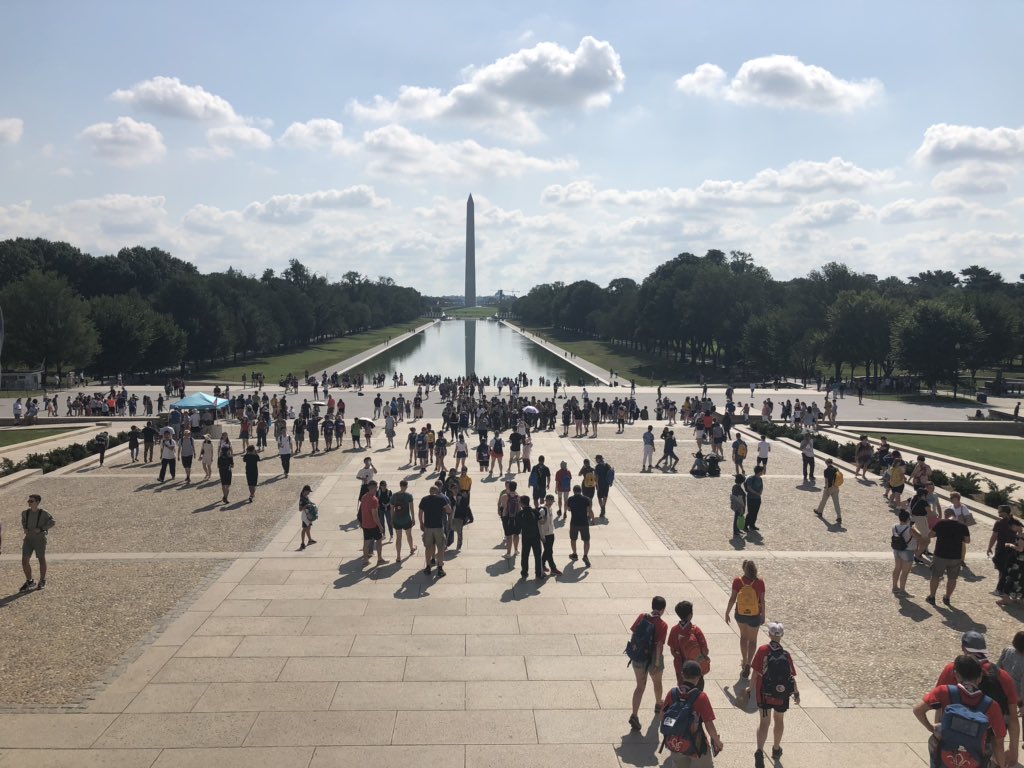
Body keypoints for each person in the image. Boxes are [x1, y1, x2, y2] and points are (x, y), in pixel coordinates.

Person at [935, 630, 1021, 765]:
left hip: (953, 739)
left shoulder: (952, 669)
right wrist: (1013, 749)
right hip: (985, 742)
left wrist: (938, 732)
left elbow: (939, 705)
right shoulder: (1003, 676)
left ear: (963, 648)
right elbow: (1013, 718)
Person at [914, 654, 1007, 768]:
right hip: (974, 758)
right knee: (988, 747)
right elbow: (999, 742)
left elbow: (918, 710)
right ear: (980, 678)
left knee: (935, 742)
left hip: (946, 753)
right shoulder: (992, 705)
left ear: (956, 675)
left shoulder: (943, 691)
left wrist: (932, 728)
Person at [752, 622, 799, 768]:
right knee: (779, 720)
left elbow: (755, 673)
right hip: (781, 694)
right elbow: (791, 676)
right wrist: (796, 693)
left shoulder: (763, 650)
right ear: (782, 635)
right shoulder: (786, 654)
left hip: (764, 693)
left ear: (770, 634)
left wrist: (750, 690)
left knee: (764, 722)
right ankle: (776, 749)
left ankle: (759, 751)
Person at [660, 659, 724, 765]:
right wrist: (717, 741)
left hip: (675, 743)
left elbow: (662, 715)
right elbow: (709, 724)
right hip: (696, 745)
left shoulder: (672, 693)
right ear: (698, 677)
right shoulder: (701, 697)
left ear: (682, 675)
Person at [627, 595, 669, 731]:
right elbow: (659, 645)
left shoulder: (642, 616)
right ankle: (658, 704)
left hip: (638, 657)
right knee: (657, 682)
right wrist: (657, 662)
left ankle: (634, 714)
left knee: (640, 687)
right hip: (652, 659)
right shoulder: (662, 625)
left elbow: (633, 633)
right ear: (663, 609)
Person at [725, 559, 765, 679]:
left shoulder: (738, 581)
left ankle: (744, 660)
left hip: (740, 614)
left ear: (744, 569)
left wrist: (727, 612)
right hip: (754, 614)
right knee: (753, 640)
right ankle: (749, 663)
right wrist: (763, 614)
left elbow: (733, 598)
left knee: (743, 637)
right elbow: (762, 600)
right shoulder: (760, 582)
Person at [927, 508, 971, 607]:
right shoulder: (962, 526)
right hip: (955, 556)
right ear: (955, 515)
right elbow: (967, 540)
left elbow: (930, 535)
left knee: (935, 576)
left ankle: (932, 596)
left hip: (940, 555)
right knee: (952, 578)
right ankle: (947, 597)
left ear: (946, 515)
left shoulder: (941, 523)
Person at [668, 600, 710, 691]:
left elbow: (672, 651)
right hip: (696, 668)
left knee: (683, 692)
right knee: (697, 693)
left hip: (681, 668)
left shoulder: (674, 630)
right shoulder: (695, 630)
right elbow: (705, 651)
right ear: (690, 615)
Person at [20, 494, 55, 591]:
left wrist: (41, 529)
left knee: (41, 559)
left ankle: (42, 580)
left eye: (31, 501)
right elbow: (23, 521)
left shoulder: (43, 513)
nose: (29, 502)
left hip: (39, 539)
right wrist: (25, 528)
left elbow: (52, 522)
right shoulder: (25, 513)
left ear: (37, 502)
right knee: (24, 561)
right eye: (29, 500)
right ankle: (30, 581)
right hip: (28, 539)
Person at [419, 485, 452, 577]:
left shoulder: (424, 499)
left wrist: (421, 523)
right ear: (437, 492)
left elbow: (420, 513)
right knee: (440, 548)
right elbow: (449, 510)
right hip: (438, 527)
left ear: (429, 491)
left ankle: (428, 567)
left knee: (428, 547)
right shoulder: (441, 499)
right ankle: (440, 569)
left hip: (428, 527)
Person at [989, 504, 1020, 595]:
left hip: (1002, 549)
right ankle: (1002, 588)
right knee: (1005, 569)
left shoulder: (999, 523)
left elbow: (994, 536)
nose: (998, 513)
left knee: (1002, 569)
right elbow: (1020, 533)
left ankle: (1000, 589)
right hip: (1012, 549)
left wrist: (989, 547)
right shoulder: (1016, 522)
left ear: (1005, 513)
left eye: (1000, 512)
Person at [891, 509, 921, 595]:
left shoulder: (894, 526)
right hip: (908, 551)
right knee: (905, 572)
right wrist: (914, 527)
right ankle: (902, 590)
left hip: (897, 549)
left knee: (897, 568)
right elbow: (919, 536)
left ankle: (894, 587)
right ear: (908, 519)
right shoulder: (910, 529)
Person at [359, 480, 387, 566]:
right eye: (377, 487)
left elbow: (362, 510)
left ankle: (365, 560)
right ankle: (380, 559)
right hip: (373, 525)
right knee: (379, 541)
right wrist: (380, 526)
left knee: (366, 543)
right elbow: (375, 515)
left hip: (365, 524)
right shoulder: (374, 499)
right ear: (375, 487)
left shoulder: (364, 497)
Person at [567, 484, 594, 567]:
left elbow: (568, 509)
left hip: (574, 522)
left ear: (573, 491)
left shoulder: (570, 499)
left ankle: (574, 554)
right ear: (581, 490)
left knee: (573, 539)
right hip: (584, 523)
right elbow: (589, 510)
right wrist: (593, 519)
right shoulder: (587, 499)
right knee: (586, 540)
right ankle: (585, 556)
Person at [391, 479, 417, 562]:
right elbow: (411, 508)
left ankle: (398, 556)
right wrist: (413, 518)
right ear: (406, 486)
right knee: (409, 535)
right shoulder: (409, 496)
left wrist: (392, 519)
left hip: (397, 519)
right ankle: (411, 548)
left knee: (398, 538)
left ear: (400, 485)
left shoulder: (394, 496)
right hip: (406, 519)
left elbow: (391, 509)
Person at [518, 495, 543, 580]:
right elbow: (541, 521)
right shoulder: (535, 511)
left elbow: (518, 527)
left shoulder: (520, 514)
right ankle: (538, 573)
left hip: (526, 538)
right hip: (535, 537)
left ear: (522, 504)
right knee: (537, 555)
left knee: (525, 556)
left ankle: (524, 573)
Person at [813, 458, 842, 525]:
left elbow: (826, 481)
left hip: (829, 488)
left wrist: (827, 489)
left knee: (823, 500)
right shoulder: (836, 469)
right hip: (836, 487)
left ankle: (819, 511)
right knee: (836, 503)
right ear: (832, 462)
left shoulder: (826, 470)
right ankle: (839, 516)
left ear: (826, 463)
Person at [539, 493, 561, 576]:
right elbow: (539, 523)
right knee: (549, 551)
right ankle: (553, 568)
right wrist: (542, 536)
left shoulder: (550, 508)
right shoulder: (542, 510)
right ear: (546, 500)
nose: (551, 502)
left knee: (548, 550)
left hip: (551, 533)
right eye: (550, 501)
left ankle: (542, 564)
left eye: (552, 501)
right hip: (545, 534)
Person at [499, 480, 521, 560]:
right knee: (516, 534)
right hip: (516, 518)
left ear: (509, 487)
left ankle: (508, 553)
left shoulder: (504, 496)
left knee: (508, 536)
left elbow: (503, 506)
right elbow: (519, 508)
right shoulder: (518, 497)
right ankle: (516, 550)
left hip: (507, 518)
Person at [743, 466, 765, 532]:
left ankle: (752, 525)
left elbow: (761, 487)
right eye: (762, 471)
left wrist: (760, 492)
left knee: (755, 512)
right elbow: (749, 488)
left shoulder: (760, 479)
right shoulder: (751, 478)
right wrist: (756, 493)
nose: (763, 472)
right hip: (751, 498)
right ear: (759, 472)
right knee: (750, 512)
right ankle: (745, 525)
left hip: (758, 498)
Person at [299, 485, 318, 550]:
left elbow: (309, 502)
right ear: (304, 490)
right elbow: (300, 509)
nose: (309, 493)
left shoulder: (306, 496)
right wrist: (306, 505)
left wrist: (312, 503)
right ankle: (302, 543)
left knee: (308, 527)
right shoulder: (301, 499)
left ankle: (310, 540)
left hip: (309, 515)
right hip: (305, 516)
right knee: (304, 529)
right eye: (308, 491)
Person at [594, 454, 613, 518]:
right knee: (605, 496)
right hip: (606, 484)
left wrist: (596, 484)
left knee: (599, 497)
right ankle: (603, 507)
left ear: (599, 459)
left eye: (596, 459)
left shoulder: (597, 467)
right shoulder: (607, 465)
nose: (596, 460)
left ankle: (602, 508)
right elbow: (611, 474)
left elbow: (596, 476)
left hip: (600, 484)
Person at [217, 438, 234, 504]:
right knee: (228, 485)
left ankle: (224, 496)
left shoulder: (220, 457)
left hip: (221, 471)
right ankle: (225, 497)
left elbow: (218, 466)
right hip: (228, 471)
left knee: (223, 485)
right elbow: (232, 466)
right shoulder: (230, 457)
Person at [731, 474, 747, 539]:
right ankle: (736, 531)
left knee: (737, 518)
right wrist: (743, 507)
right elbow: (740, 498)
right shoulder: (739, 489)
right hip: (739, 505)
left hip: (736, 504)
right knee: (737, 518)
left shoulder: (734, 486)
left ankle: (737, 530)